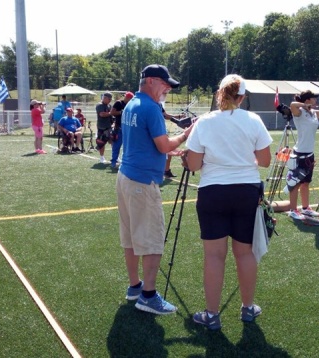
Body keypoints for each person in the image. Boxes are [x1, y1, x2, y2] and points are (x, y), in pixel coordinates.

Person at [184, 74, 272, 330]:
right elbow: (265, 160)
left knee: (214, 255)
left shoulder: (205, 122)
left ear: (219, 94)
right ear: (242, 97)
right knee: (245, 253)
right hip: (246, 191)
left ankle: (212, 315)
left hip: (213, 192)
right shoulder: (253, 120)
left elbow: (193, 165)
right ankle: (247, 308)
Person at [117, 64, 193, 315]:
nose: (168, 89)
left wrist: (169, 149)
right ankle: (148, 296)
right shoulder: (150, 107)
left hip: (126, 178)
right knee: (151, 240)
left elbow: (143, 142)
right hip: (142, 183)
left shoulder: (132, 103)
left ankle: (134, 286)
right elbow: (161, 145)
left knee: (130, 237)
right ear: (150, 81)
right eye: (165, 83)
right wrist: (186, 134)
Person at [274, 90, 319, 220]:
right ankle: (293, 210)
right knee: (295, 184)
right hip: (299, 154)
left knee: (306, 183)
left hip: (309, 154)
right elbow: (292, 105)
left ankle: (306, 208)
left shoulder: (314, 113)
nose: (316, 101)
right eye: (314, 99)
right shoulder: (299, 112)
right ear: (308, 100)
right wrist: (304, 106)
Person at [110, 92, 134, 169]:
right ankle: (114, 162)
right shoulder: (119, 103)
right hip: (119, 128)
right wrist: (121, 112)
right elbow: (112, 112)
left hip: (128, 128)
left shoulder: (131, 105)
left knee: (128, 147)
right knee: (117, 146)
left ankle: (126, 162)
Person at [161, 107, 185, 178]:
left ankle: (166, 171)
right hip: (157, 131)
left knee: (169, 149)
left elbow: (165, 115)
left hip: (162, 129)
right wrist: (178, 117)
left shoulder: (158, 104)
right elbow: (165, 116)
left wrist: (178, 117)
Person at [95, 92, 113, 163]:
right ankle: (102, 157)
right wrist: (111, 113)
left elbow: (111, 116)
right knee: (101, 142)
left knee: (113, 141)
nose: (110, 100)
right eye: (109, 99)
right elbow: (102, 114)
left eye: (110, 99)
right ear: (105, 98)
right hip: (102, 127)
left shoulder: (109, 106)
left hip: (109, 126)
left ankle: (115, 156)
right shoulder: (99, 105)